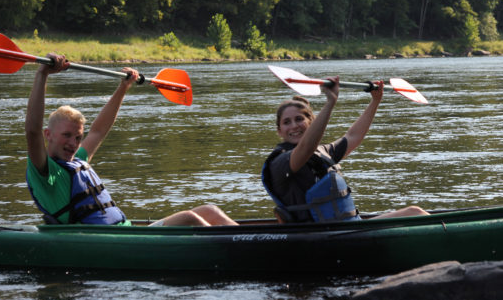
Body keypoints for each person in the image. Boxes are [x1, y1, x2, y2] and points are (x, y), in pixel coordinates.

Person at [25, 53, 238, 226]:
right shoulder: (46, 170)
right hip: (107, 242)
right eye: (67, 135)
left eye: (78, 137)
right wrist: (42, 74)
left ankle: (249, 241)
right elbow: (32, 131)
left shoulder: (77, 160)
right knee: (189, 219)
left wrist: (123, 88)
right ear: (48, 135)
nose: (73, 143)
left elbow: (98, 131)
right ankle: (234, 252)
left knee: (210, 210)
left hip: (126, 231)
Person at [262, 76, 429, 223]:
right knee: (417, 215)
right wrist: (330, 102)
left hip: (349, 226)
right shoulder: (280, 162)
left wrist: (375, 101)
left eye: (299, 119)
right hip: (320, 235)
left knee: (415, 212)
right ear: (279, 131)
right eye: (286, 122)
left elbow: (353, 136)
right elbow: (305, 148)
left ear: (310, 122)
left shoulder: (322, 152)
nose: (294, 126)